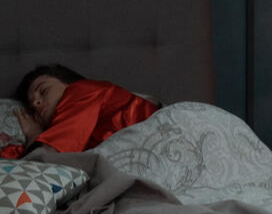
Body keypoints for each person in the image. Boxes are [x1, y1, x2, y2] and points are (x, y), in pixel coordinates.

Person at [0, 64, 159, 159]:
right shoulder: (75, 131)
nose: (36, 103)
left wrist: (33, 134)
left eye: (44, 91)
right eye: (31, 106)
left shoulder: (82, 91)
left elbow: (48, 158)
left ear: (69, 84)